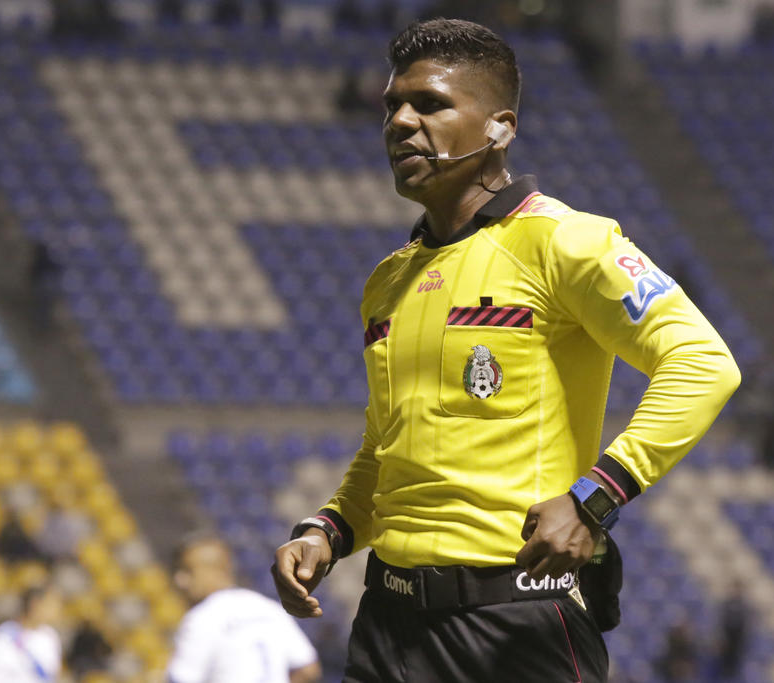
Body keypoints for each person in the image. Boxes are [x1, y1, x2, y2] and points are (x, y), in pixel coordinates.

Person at [272, 18, 741, 682]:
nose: (401, 121)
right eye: (393, 105)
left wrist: (593, 499)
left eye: (430, 103)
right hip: (387, 625)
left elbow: (702, 362)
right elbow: (386, 447)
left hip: (515, 622)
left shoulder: (564, 241)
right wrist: (328, 530)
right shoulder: (388, 281)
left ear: (500, 128)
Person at [168, 533, 321, 683]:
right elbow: (308, 669)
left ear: (217, 569)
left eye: (187, 571)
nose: (179, 580)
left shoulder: (202, 619)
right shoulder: (268, 608)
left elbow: (181, 679)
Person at [0, 582, 63, 683]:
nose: (55, 610)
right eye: (50, 605)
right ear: (35, 604)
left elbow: (53, 674)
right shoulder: (2, 638)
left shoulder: (50, 636)